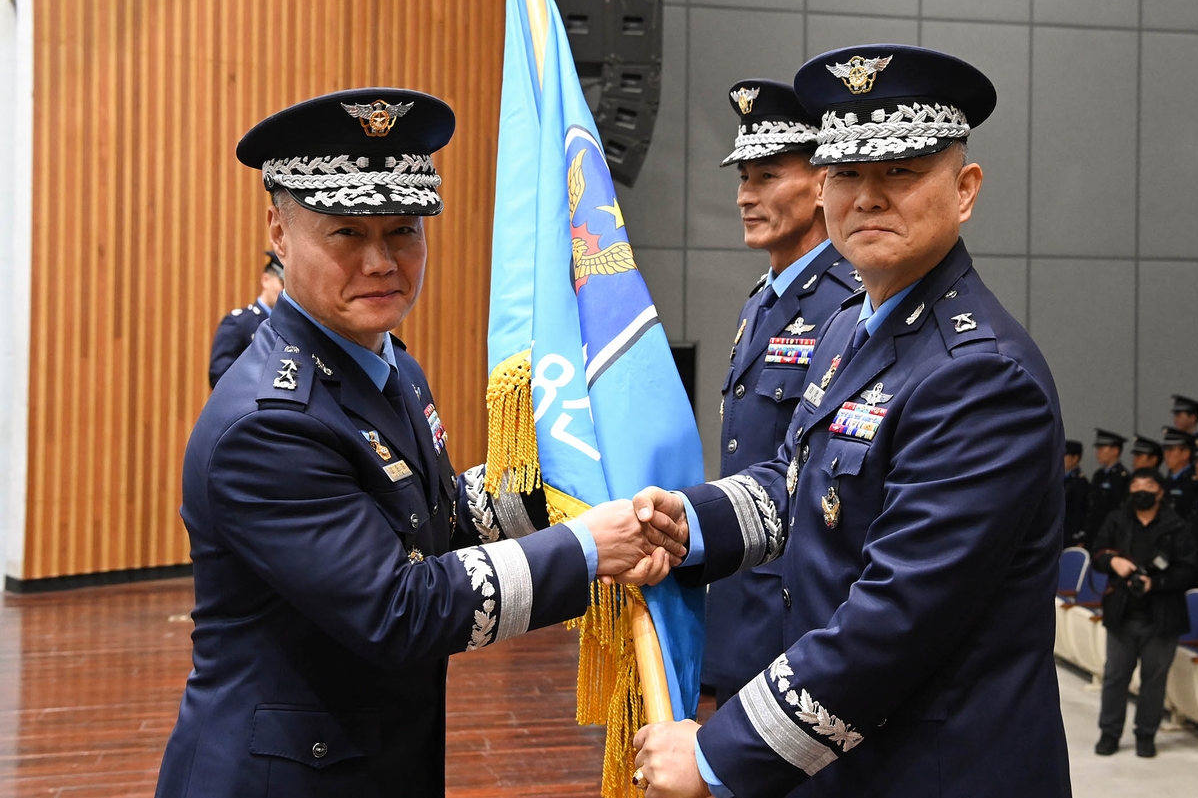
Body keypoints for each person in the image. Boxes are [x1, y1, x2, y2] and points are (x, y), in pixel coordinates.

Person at [154, 89, 686, 798]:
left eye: (403, 228)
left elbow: (428, 519)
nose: (381, 260)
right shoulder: (268, 422)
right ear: (279, 233)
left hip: (369, 754)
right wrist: (587, 547)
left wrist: (564, 492)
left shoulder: (391, 364)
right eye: (346, 232)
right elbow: (397, 607)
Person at [630, 45, 1071, 797]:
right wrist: (691, 523)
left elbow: (896, 619)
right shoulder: (848, 328)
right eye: (846, 172)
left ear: (965, 190)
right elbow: (800, 482)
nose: (867, 196)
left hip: (939, 769)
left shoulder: (980, 374)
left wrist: (716, 752)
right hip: (847, 752)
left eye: (898, 171)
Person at [704, 78, 860, 709]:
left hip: (795, 612)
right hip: (740, 595)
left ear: (822, 184)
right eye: (743, 177)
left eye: (767, 176)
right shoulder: (763, 300)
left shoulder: (844, 302)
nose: (745, 196)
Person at [1091, 468, 1198, 758]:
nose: (1141, 490)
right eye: (1136, 485)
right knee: (1115, 676)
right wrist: (1113, 562)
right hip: (1122, 613)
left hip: (1162, 617)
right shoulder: (1117, 520)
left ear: (1160, 491)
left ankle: (1145, 735)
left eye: (1149, 485)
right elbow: (1097, 551)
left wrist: (1156, 582)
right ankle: (1109, 733)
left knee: (1154, 680)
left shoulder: (1177, 526)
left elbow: (1190, 570)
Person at [208, 250, 286, 388]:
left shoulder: (291, 326)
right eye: (282, 283)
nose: (286, 291)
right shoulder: (239, 324)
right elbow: (220, 376)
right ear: (265, 280)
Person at [1086, 428, 1130, 549]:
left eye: (1101, 449)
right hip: (1094, 532)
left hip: (1111, 534)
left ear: (1115, 450)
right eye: (1097, 449)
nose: (1097, 453)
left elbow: (1119, 508)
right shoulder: (1098, 475)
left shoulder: (1122, 477)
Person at [1161, 426, 1197, 519]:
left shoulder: (1194, 482)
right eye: (1165, 450)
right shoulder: (1165, 481)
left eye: (1171, 450)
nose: (1166, 455)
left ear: (1185, 454)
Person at [1064, 439, 1090, 548]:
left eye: (1064, 455)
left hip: (1071, 535)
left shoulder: (1080, 482)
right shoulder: (1057, 479)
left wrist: (1079, 537)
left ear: (1075, 458)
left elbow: (1080, 512)